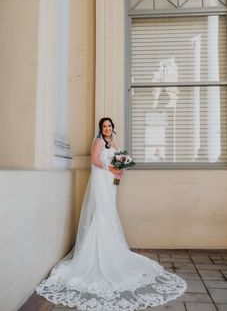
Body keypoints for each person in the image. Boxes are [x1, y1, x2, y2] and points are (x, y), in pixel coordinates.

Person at [36, 117, 187, 310]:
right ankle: (95, 256)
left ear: (112, 128)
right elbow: (95, 160)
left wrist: (119, 171)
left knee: (108, 213)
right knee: (102, 213)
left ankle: (112, 249)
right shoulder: (98, 142)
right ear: (101, 129)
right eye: (104, 126)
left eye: (109, 126)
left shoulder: (113, 143)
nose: (107, 128)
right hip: (101, 179)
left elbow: (118, 159)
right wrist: (111, 168)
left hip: (111, 181)